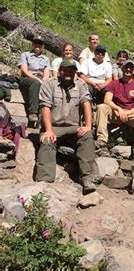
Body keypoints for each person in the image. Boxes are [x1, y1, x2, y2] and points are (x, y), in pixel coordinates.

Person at [36, 60, 96, 194]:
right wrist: (48, 130)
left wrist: (87, 126)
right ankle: (45, 182)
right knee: (47, 141)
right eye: (66, 69)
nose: (68, 72)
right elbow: (45, 107)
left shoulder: (80, 85)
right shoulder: (49, 84)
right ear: (60, 70)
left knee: (87, 137)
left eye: (72, 70)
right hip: (54, 126)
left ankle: (87, 179)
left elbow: (86, 104)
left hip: (73, 127)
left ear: (75, 72)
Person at [95, 60, 134, 159]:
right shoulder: (114, 83)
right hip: (116, 111)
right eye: (126, 67)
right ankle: (102, 140)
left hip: (130, 112)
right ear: (122, 69)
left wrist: (127, 113)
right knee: (101, 107)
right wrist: (119, 109)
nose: (128, 70)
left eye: (131, 68)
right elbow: (107, 100)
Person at [18, 36, 51, 123]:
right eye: (36, 43)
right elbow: (24, 70)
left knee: (49, 87)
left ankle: (43, 121)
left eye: (40, 44)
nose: (38, 45)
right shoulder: (25, 55)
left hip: (40, 78)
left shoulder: (46, 59)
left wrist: (44, 80)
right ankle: (33, 112)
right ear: (32, 44)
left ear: (42, 46)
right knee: (36, 83)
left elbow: (47, 72)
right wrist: (38, 80)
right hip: (27, 78)